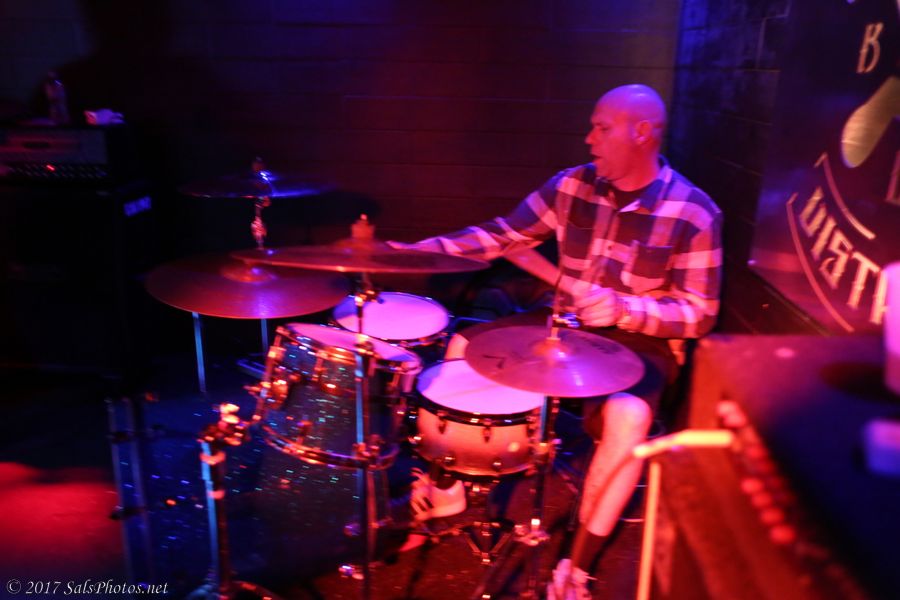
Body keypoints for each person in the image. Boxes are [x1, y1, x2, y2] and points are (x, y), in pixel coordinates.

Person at [395, 84, 722, 599]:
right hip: (563, 322)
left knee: (629, 416)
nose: (589, 138)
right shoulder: (572, 185)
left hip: (641, 340)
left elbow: (699, 314)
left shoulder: (694, 212)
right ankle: (446, 490)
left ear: (642, 133)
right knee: (461, 351)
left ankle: (576, 567)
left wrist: (625, 309)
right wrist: (414, 253)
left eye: (601, 128)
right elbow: (503, 236)